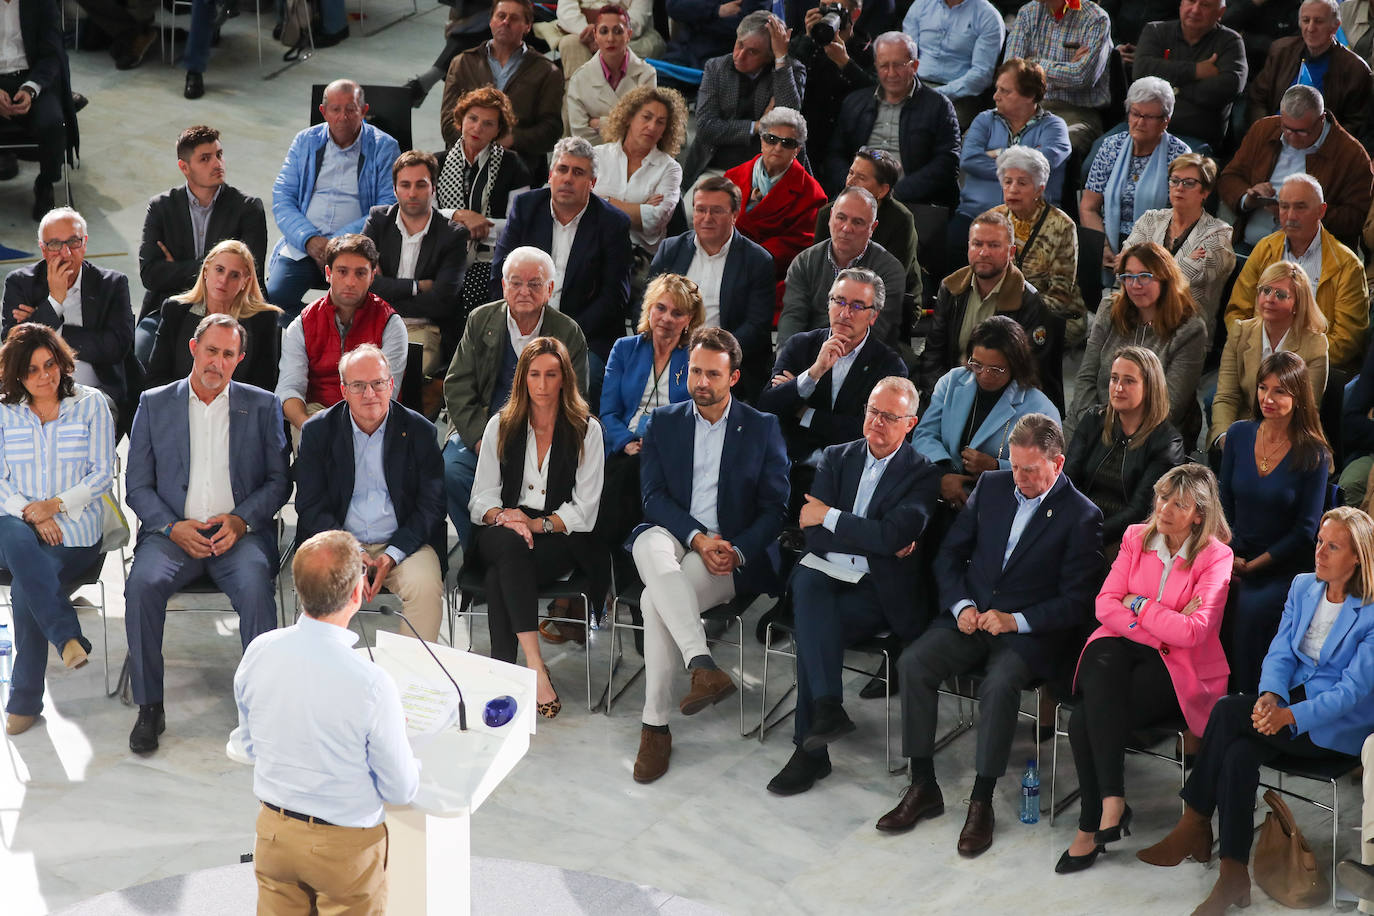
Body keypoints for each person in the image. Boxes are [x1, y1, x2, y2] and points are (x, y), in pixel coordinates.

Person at [876, 414, 1102, 854]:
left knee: (999, 686)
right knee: (914, 662)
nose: (1019, 478)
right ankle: (922, 785)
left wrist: (1014, 619)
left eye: (1030, 470)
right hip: (972, 617)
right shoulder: (994, 486)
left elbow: (1076, 603)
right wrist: (961, 606)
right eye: (1013, 466)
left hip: (1028, 634)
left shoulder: (1081, 515)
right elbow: (950, 555)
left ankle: (981, 800)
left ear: (1057, 463)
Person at [1137, 506, 1374, 915]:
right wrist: (1270, 696)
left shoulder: (1370, 613)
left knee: (1229, 712)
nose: (1319, 552)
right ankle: (1232, 874)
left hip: (1332, 729)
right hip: (1286, 709)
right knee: (1238, 752)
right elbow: (1280, 651)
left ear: (1357, 558)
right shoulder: (1303, 587)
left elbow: (1351, 692)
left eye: (1332, 547)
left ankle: (1194, 820)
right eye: (1319, 541)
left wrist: (1291, 717)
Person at [765, 377, 943, 795]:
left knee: (813, 626)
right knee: (809, 583)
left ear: (910, 423)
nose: (877, 422)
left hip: (877, 592)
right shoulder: (836, 457)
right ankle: (825, 712)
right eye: (872, 411)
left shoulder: (923, 475)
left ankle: (811, 749)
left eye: (889, 417)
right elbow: (814, 535)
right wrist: (871, 536)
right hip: (827, 573)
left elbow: (892, 537)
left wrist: (833, 518)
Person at [124, 315, 291, 755]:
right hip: (171, 534)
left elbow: (278, 481)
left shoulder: (262, 405)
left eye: (228, 354)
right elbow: (137, 485)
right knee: (141, 586)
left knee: (257, 590)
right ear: (194, 349)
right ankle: (149, 705)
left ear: (240, 359)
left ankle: (262, 709)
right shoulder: (154, 403)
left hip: (238, 534)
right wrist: (170, 526)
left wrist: (240, 520)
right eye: (211, 351)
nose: (218, 362)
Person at [629, 327, 789, 783]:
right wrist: (696, 536)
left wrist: (737, 550)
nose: (701, 381)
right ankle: (701, 664)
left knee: (649, 602)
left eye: (712, 374)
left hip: (727, 549)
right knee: (645, 541)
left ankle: (654, 726)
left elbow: (775, 509)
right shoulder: (663, 421)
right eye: (695, 371)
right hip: (677, 533)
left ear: (733, 377)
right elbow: (653, 497)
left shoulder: (762, 427)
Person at [231, 529, 420, 915]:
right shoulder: (371, 682)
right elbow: (400, 789)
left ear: (299, 590)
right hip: (345, 848)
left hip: (274, 835)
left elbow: (247, 745)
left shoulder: (259, 651)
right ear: (356, 593)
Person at [1057, 464, 1233, 874]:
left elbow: (1195, 632)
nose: (1165, 509)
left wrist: (1138, 605)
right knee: (1102, 659)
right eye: (1161, 497)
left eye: (1179, 503)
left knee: (1086, 718)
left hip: (1179, 670)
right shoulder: (1137, 537)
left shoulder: (1216, 557)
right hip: (1124, 650)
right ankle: (1111, 804)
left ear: (1199, 515)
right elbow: (1104, 603)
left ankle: (1095, 820)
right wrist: (1160, 623)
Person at [470, 336, 606, 714]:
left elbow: (586, 509)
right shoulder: (502, 424)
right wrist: (504, 517)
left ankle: (502, 671)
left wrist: (535, 523)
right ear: (522, 379)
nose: (543, 385)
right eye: (534, 375)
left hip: (558, 536)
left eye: (551, 374)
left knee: (503, 572)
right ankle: (534, 665)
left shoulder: (585, 429)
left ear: (565, 378)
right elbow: (480, 498)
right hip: (500, 529)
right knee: (509, 546)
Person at [0, 324, 114, 737]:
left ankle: (25, 700)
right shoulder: (3, 412)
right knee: (13, 533)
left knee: (24, 587)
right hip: (14, 524)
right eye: (31, 370)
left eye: (49, 364)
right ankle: (66, 636)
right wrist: (33, 514)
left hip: (74, 533)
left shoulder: (91, 404)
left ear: (61, 362)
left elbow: (104, 473)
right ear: (17, 375)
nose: (44, 376)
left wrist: (56, 506)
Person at [442, 247, 590, 551]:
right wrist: (481, 439)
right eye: (515, 282)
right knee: (451, 472)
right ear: (503, 285)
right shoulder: (480, 319)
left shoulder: (567, 332)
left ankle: (529, 554)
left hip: (543, 440)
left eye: (535, 284)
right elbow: (457, 385)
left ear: (550, 289)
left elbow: (576, 399)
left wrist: (538, 443)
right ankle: (478, 552)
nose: (524, 291)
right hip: (484, 432)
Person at [295, 345, 447, 641]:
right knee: (322, 583)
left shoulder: (420, 432)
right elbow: (310, 505)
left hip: (403, 544)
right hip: (338, 542)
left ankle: (410, 684)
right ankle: (326, 676)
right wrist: (354, 552)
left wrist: (391, 554)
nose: (369, 394)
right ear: (343, 390)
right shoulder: (317, 432)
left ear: (391, 384)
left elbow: (432, 505)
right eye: (358, 386)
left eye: (378, 383)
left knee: (425, 586)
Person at [1219, 349, 1332, 692]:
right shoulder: (1238, 435)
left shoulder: (1314, 453)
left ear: (1298, 398)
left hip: (1284, 567)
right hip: (1234, 553)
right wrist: (1227, 556)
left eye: (1280, 391)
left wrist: (1252, 567)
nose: (1268, 398)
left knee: (1249, 612)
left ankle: (1247, 700)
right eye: (1263, 388)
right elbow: (1223, 505)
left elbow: (1305, 532)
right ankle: (1201, 701)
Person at [759, 268, 908, 495]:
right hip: (791, 467)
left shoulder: (889, 366)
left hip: (849, 475)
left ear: (873, 316)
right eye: (839, 301)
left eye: (857, 306)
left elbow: (868, 431)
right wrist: (814, 373)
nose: (845, 313)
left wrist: (804, 413)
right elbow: (768, 407)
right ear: (828, 304)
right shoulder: (801, 345)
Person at [490, 136, 632, 364]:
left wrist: (564, 333)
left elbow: (614, 297)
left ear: (592, 182)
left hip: (584, 334)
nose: (567, 179)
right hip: (522, 324)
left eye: (578, 173)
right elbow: (500, 274)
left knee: (588, 376)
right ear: (550, 175)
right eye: (562, 169)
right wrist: (525, 325)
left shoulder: (613, 223)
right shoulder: (526, 208)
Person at [266, 80, 401, 322]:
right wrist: (308, 239)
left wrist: (336, 244)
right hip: (305, 246)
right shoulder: (304, 141)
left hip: (355, 247)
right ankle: (322, 329)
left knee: (365, 308)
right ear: (323, 112)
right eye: (335, 109)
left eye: (351, 109)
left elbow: (387, 205)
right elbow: (283, 198)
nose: (343, 117)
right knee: (275, 298)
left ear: (364, 110)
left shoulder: (384, 147)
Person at [137, 125, 267, 363]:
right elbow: (151, 274)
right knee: (139, 357)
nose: (217, 164)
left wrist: (177, 268)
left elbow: (250, 273)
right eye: (205, 159)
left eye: (219, 154)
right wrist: (216, 268)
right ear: (184, 167)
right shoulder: (161, 207)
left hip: (230, 311)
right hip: (170, 308)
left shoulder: (248, 209)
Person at [917, 211, 1065, 412]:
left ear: (1011, 252)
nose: (983, 252)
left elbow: (1028, 374)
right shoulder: (951, 288)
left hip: (1001, 403)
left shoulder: (1030, 302)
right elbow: (934, 353)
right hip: (949, 393)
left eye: (993, 245)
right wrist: (940, 395)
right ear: (968, 247)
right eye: (977, 244)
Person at [3, 208, 135, 425]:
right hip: (32, 398)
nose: (65, 253)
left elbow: (115, 348)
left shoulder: (112, 284)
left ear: (84, 243)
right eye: (55, 244)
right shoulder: (20, 283)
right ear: (43, 249)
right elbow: (13, 351)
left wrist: (46, 325)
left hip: (96, 395)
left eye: (73, 242)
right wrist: (55, 300)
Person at [598, 274, 702, 549]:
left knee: (632, 475)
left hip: (672, 450)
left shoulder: (695, 357)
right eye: (661, 308)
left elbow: (698, 415)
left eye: (677, 312)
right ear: (649, 309)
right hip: (625, 445)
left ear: (689, 319)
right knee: (627, 470)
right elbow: (608, 413)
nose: (667, 318)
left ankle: (611, 558)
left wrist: (656, 444)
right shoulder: (624, 349)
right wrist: (627, 442)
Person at [913, 316, 1062, 508]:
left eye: (996, 369)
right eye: (977, 365)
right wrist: (943, 473)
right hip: (942, 490)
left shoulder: (1041, 409)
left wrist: (996, 467)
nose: (984, 375)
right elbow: (925, 434)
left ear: (1016, 365)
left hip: (1001, 502)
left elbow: (1046, 471)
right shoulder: (952, 381)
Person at [1225, 173, 1368, 370]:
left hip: (1309, 372)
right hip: (1256, 360)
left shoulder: (1347, 266)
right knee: (1215, 400)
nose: (1290, 216)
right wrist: (1256, 352)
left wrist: (1290, 363)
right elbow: (1236, 313)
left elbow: (1347, 341)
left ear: (1321, 211)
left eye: (1300, 207)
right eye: (1284, 206)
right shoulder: (1264, 248)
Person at [647, 176, 775, 395]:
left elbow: (756, 326)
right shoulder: (671, 249)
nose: (707, 218)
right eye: (700, 210)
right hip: (668, 352)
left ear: (735, 215)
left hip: (724, 363)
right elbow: (646, 304)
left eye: (716, 211)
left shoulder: (757, 261)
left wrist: (713, 354)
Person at [1071, 242, 1208, 443]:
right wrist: (1091, 423)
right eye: (1128, 277)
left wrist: (1119, 434)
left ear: (1165, 278)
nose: (1135, 285)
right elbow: (1086, 376)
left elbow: (1170, 405)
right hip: (1094, 420)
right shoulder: (1110, 310)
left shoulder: (1190, 329)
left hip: (1151, 434)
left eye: (1144, 276)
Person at [275, 235, 408, 440]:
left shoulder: (390, 323)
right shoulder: (303, 323)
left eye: (360, 273)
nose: (350, 282)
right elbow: (289, 388)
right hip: (317, 413)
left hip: (373, 412)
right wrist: (306, 423)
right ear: (328, 273)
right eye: (342, 271)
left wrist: (346, 429)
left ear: (372, 276)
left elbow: (385, 394)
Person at [1218, 85, 1372, 251]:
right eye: (1286, 128)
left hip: (1308, 256)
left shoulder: (1352, 155)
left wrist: (1302, 214)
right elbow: (1229, 177)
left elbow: (1356, 218)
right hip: (1251, 243)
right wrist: (1247, 198)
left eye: (1301, 132)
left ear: (1321, 119)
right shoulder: (1264, 129)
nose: (1291, 136)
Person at [361, 150, 470, 378]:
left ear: (434, 188)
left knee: (397, 378)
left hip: (424, 329)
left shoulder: (453, 235)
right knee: (353, 371)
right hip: (372, 323)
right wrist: (416, 287)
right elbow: (363, 284)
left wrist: (383, 289)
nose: (412, 193)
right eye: (405, 185)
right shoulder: (378, 222)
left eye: (421, 185)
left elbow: (442, 302)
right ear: (394, 189)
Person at [1064, 347, 1186, 549]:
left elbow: (1140, 511)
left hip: (1124, 538)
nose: (1118, 388)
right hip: (1077, 523)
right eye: (1114, 379)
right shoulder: (1094, 420)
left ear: (1150, 388)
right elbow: (1068, 479)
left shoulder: (1167, 442)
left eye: (1129, 381)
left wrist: (1088, 534)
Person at [826, 31, 961, 209]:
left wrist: (891, 193)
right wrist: (854, 185)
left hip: (914, 202)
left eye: (898, 65)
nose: (891, 73)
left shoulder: (939, 106)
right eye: (884, 66)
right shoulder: (855, 102)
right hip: (855, 198)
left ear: (915, 66)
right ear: (875, 65)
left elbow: (947, 163)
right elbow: (835, 155)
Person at [435, 87, 533, 327]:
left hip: (490, 255)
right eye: (473, 119)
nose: (478, 128)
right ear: (460, 121)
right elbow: (424, 215)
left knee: (471, 294)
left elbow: (519, 224)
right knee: (435, 295)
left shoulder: (513, 164)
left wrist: (480, 226)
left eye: (488, 124)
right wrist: (459, 216)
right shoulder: (436, 161)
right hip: (440, 252)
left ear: (498, 130)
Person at [679, 11, 807, 187]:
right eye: (739, 44)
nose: (739, 55)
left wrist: (781, 60)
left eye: (752, 52)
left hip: (768, 175)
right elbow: (705, 127)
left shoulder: (789, 70)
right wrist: (757, 126)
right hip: (716, 169)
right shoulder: (716, 67)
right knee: (694, 211)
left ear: (770, 55)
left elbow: (787, 120)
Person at [438, 0, 565, 176]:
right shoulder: (462, 63)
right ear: (491, 21)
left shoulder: (547, 71)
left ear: (527, 26)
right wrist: (476, 143)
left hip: (520, 168)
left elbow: (551, 130)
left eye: (514, 18)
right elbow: (448, 123)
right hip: (463, 166)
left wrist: (513, 138)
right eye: (501, 16)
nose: (506, 22)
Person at [1212, 261, 1329, 448]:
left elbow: (1306, 412)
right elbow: (1226, 397)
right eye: (1265, 290)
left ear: (1298, 304)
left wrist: (1266, 447)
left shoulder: (1315, 344)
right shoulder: (1240, 332)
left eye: (1281, 295)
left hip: (1289, 439)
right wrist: (1225, 438)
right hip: (1241, 432)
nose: (1269, 299)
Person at [776, 187, 908, 349]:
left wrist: (831, 362)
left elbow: (877, 333)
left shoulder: (889, 270)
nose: (846, 228)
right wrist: (786, 363)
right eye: (841, 218)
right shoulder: (805, 261)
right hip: (809, 355)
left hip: (862, 359)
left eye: (857, 222)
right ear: (831, 217)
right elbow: (792, 320)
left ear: (872, 228)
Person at [1120, 153, 1236, 336]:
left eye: (1189, 183)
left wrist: (1144, 271)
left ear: (1205, 192)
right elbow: (1124, 268)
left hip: (1184, 332)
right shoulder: (1150, 220)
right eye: (1174, 180)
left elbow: (1187, 282)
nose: (1179, 188)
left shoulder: (1219, 234)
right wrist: (1183, 262)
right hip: (1135, 322)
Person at [145, 241, 282, 392]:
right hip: (180, 406)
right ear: (205, 271)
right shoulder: (176, 310)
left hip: (237, 410)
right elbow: (156, 380)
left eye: (235, 275)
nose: (224, 280)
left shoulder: (263, 318)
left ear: (246, 281)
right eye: (219, 270)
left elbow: (264, 386)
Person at [1080, 78, 1192, 260]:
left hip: (1155, 251)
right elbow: (1089, 207)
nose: (1140, 122)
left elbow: (1183, 219)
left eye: (1148, 117)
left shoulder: (1180, 155)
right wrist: (1103, 248)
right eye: (1135, 114)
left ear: (1165, 121)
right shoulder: (1111, 147)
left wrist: (1137, 257)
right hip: (1108, 241)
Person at [956, 58, 1072, 234]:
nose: (996, 96)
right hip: (975, 216)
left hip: (1034, 224)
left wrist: (997, 153)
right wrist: (1021, 160)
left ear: (1030, 96)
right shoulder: (984, 120)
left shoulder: (1054, 127)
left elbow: (1039, 167)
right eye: (997, 89)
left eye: (1005, 91)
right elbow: (969, 160)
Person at [726, 106, 828, 300]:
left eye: (787, 143)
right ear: (761, 141)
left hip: (770, 273)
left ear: (797, 150)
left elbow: (797, 244)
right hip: (724, 258)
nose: (778, 147)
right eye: (771, 139)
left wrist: (749, 258)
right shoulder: (732, 176)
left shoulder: (812, 194)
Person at [1131, 0, 1249, 151]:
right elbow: (1140, 71)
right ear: (1181, 4)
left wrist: (1171, 89)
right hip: (1140, 126)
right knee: (1093, 164)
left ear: (1221, 12)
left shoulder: (1230, 42)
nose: (1195, 10)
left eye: (1205, 5)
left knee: (1174, 174)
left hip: (1194, 136)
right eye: (1191, 1)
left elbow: (1229, 87)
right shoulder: (1155, 30)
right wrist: (1196, 70)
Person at [989, 147, 1084, 332]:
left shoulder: (1062, 226)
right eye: (1007, 182)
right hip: (999, 312)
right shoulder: (992, 219)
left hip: (1052, 314)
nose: (1013, 189)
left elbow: (1060, 295)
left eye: (1022, 183)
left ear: (1039, 189)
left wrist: (1014, 315)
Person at [1247, 0, 1372, 138]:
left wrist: (1321, 142)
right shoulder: (1281, 51)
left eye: (1318, 21)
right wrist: (1266, 132)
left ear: (1335, 27)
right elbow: (1258, 97)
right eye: (1306, 20)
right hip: (1275, 134)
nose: (1311, 28)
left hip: (1322, 144)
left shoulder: (1356, 69)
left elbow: (1355, 123)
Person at [591, 85, 688, 263]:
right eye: (646, 117)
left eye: (660, 122)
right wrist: (639, 208)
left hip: (639, 258)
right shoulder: (597, 155)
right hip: (593, 248)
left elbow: (654, 221)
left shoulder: (670, 168)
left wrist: (602, 201)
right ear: (629, 118)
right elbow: (578, 205)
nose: (652, 126)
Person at [1003, 0, 1113, 156]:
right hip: (1028, 105)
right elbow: (1011, 70)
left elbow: (1081, 77)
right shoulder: (1028, 12)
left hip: (1076, 113)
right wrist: (1066, 67)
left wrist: (1031, 63)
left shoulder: (1096, 18)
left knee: (1053, 151)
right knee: (979, 139)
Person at [815, 149, 920, 299]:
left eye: (861, 178)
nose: (850, 182)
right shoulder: (827, 213)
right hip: (833, 295)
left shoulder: (901, 220)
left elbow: (892, 280)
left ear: (882, 190)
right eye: (851, 173)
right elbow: (818, 269)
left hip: (886, 299)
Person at [786, 0, 879, 163]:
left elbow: (877, 92)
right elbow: (786, 80)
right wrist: (809, 37)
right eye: (824, 6)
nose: (828, 12)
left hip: (845, 142)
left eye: (835, 7)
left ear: (855, 14)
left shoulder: (867, 50)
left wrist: (845, 63)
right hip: (804, 134)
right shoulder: (803, 43)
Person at [0, 0, 68, 220]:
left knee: (52, 122)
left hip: (30, 78)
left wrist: (30, 89)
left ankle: (46, 183)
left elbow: (51, 54)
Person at [899, 0, 1005, 127]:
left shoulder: (988, 16)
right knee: (883, 113)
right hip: (916, 84)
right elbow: (905, 56)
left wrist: (936, 94)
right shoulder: (921, 5)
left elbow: (981, 75)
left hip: (959, 94)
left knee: (930, 125)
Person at [565, 5, 659, 143]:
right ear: (595, 35)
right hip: (594, 159)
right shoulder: (579, 79)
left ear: (629, 35)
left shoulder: (647, 74)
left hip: (635, 157)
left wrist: (599, 124)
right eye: (604, 31)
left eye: (618, 31)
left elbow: (644, 129)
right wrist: (627, 123)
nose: (610, 38)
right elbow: (581, 135)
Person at [554, 0, 664, 84]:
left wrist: (604, 34)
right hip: (582, 31)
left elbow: (637, 19)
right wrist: (593, 34)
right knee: (570, 44)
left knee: (644, 48)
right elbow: (566, 12)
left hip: (628, 36)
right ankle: (579, 105)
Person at [661, 0, 770, 70]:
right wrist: (717, 11)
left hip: (722, 58)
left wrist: (694, 18)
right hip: (682, 51)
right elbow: (673, 6)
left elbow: (744, 26)